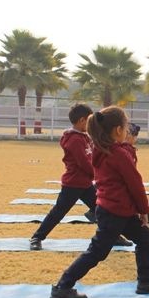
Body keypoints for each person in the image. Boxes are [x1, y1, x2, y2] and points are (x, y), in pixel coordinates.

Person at [50, 106, 149, 298]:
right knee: (97, 252)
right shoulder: (118, 154)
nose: (127, 131)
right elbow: (135, 184)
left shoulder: (103, 150)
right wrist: (144, 210)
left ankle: (146, 281)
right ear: (117, 130)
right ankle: (62, 286)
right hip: (115, 212)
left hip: (115, 210)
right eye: (125, 127)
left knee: (144, 237)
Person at [29, 104, 131, 250]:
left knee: (102, 209)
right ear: (82, 120)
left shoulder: (84, 137)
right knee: (58, 212)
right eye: (88, 120)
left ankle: (114, 237)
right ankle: (37, 237)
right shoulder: (74, 140)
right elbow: (84, 163)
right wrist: (100, 174)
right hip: (73, 184)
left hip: (86, 184)